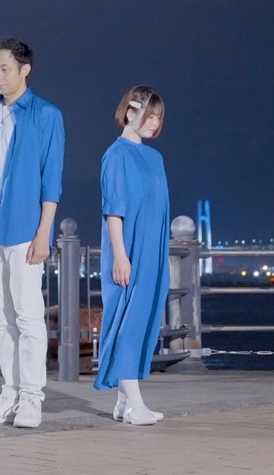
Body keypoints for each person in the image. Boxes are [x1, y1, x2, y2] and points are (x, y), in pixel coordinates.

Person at [0, 36, 65, 429]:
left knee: (28, 316)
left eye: (4, 68)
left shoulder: (46, 114)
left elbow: (51, 181)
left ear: (25, 69)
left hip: (24, 230)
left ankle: (32, 399)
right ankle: (9, 394)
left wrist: (44, 234)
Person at [94, 85, 170, 425]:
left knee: (142, 320)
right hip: (127, 249)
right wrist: (120, 256)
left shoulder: (155, 158)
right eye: (148, 115)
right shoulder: (116, 155)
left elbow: (158, 209)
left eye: (158, 117)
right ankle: (135, 404)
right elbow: (114, 211)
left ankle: (124, 402)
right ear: (129, 112)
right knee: (126, 321)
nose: (154, 123)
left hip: (152, 251)